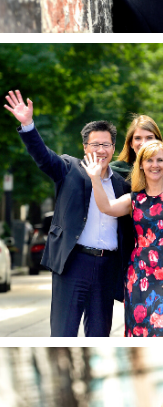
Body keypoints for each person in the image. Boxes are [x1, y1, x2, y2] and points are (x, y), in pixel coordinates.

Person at [5, 90, 134, 336]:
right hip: (74, 262)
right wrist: (28, 126)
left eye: (106, 145)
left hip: (108, 266)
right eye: (95, 144)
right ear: (85, 147)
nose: (101, 150)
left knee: (99, 334)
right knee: (63, 333)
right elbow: (43, 158)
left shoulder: (122, 184)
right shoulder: (69, 168)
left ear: (114, 148)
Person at [85, 141, 163, 337]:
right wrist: (95, 178)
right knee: (141, 332)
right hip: (139, 276)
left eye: (160, 160)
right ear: (141, 165)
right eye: (149, 160)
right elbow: (106, 207)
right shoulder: (133, 199)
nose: (155, 165)